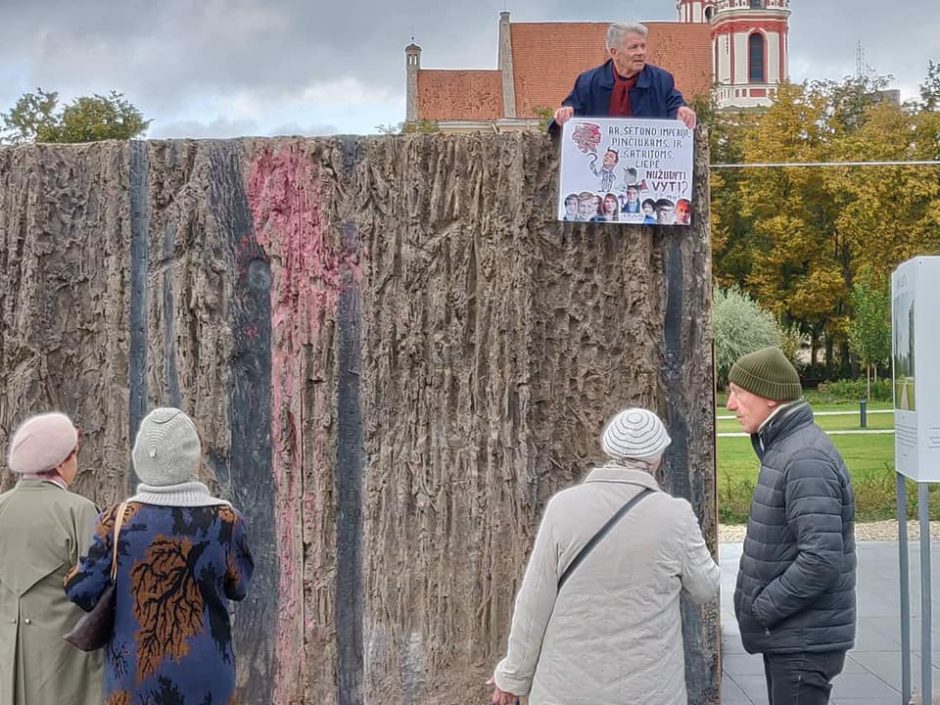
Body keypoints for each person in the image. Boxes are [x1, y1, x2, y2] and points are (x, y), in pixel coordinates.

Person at [488, 408, 719, 705]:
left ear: (609, 448)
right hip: (648, 690)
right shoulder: (676, 517)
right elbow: (705, 588)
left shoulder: (563, 508)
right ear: (657, 456)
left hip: (564, 690)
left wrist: (513, 677)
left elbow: (534, 602)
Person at [65, 407, 254, 705]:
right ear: (191, 458)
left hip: (135, 677)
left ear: (141, 458)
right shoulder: (226, 520)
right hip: (208, 674)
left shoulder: (117, 520)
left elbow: (84, 591)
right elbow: (239, 587)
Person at [726, 347, 856, 705]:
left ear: (769, 397)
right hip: (792, 635)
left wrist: (764, 607)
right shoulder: (785, 447)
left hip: (802, 641)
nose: (730, 405)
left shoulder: (805, 458)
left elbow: (821, 560)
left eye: (737, 392)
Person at [0, 412, 103, 705]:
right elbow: (97, 589)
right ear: (60, 462)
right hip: (65, 667)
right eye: (75, 455)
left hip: (6, 660)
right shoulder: (79, 511)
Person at [550, 22, 697, 135]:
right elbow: (569, 115)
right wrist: (565, 115)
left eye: (643, 46)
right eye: (633, 47)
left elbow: (677, 107)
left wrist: (684, 112)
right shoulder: (588, 82)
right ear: (615, 52)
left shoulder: (662, 80)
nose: (641, 53)